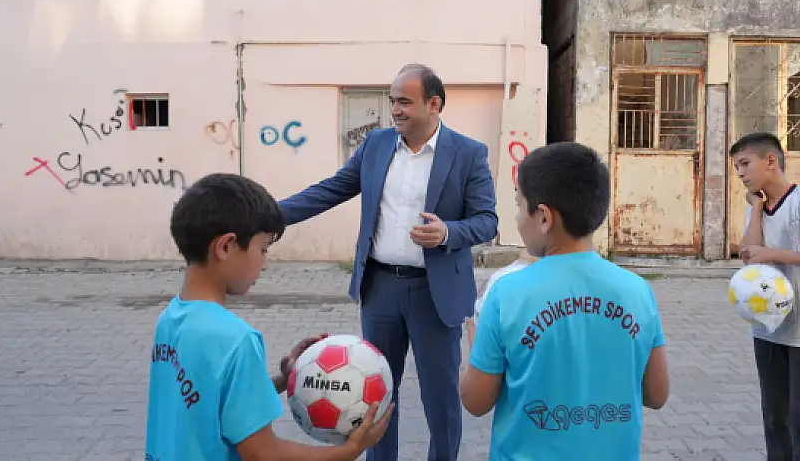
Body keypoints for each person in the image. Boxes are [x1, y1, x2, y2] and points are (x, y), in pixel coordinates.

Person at [278, 64, 498, 461]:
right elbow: (332, 189)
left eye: (404, 102)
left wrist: (448, 233)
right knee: (374, 394)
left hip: (437, 294)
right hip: (381, 288)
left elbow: (487, 221)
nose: (394, 109)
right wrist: (271, 214)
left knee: (441, 399)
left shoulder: (468, 153)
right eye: (392, 100)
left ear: (434, 104)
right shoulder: (376, 145)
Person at [144, 173, 392, 461]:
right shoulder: (237, 340)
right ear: (226, 247)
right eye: (262, 249)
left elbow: (210, 399)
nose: (264, 263)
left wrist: (283, 381)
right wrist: (349, 450)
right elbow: (263, 454)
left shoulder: (170, 318)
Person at [460, 142, 670, 460]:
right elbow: (656, 394)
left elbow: (475, 402)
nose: (517, 218)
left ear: (544, 217)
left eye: (519, 206)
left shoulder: (507, 292)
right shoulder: (637, 290)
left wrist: (479, 351)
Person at [730, 132, 800, 461]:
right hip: (766, 330)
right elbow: (752, 256)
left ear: (770, 161)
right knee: (775, 421)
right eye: (736, 167)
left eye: (744, 164)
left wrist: (776, 253)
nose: (740, 173)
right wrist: (755, 209)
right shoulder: (758, 208)